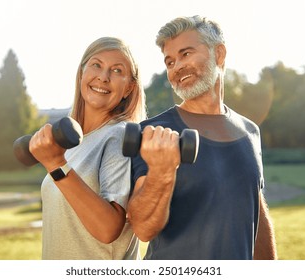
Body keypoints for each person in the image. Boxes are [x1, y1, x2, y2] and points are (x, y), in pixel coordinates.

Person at [127, 16, 277, 260]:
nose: (177, 67)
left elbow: (256, 215)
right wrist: (161, 171)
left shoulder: (250, 131)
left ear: (219, 54)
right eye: (170, 61)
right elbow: (143, 229)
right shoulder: (153, 133)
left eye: (186, 54)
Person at [29, 37, 146, 259]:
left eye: (117, 70)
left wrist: (55, 164)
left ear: (129, 87)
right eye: (96, 65)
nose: (103, 76)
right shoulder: (72, 145)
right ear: (82, 73)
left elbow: (108, 229)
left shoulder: (120, 136)